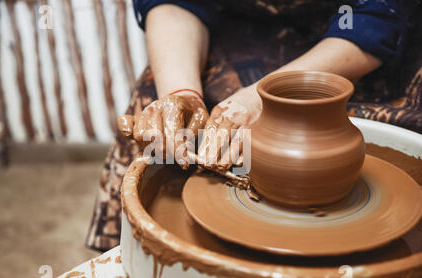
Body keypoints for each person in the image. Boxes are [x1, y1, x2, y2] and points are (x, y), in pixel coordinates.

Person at [86, 0, 420, 251]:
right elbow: (176, 4)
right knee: (161, 126)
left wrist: (263, 100)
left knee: (395, 136)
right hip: (232, 27)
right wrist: (182, 94)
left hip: (356, 40)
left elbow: (376, 17)